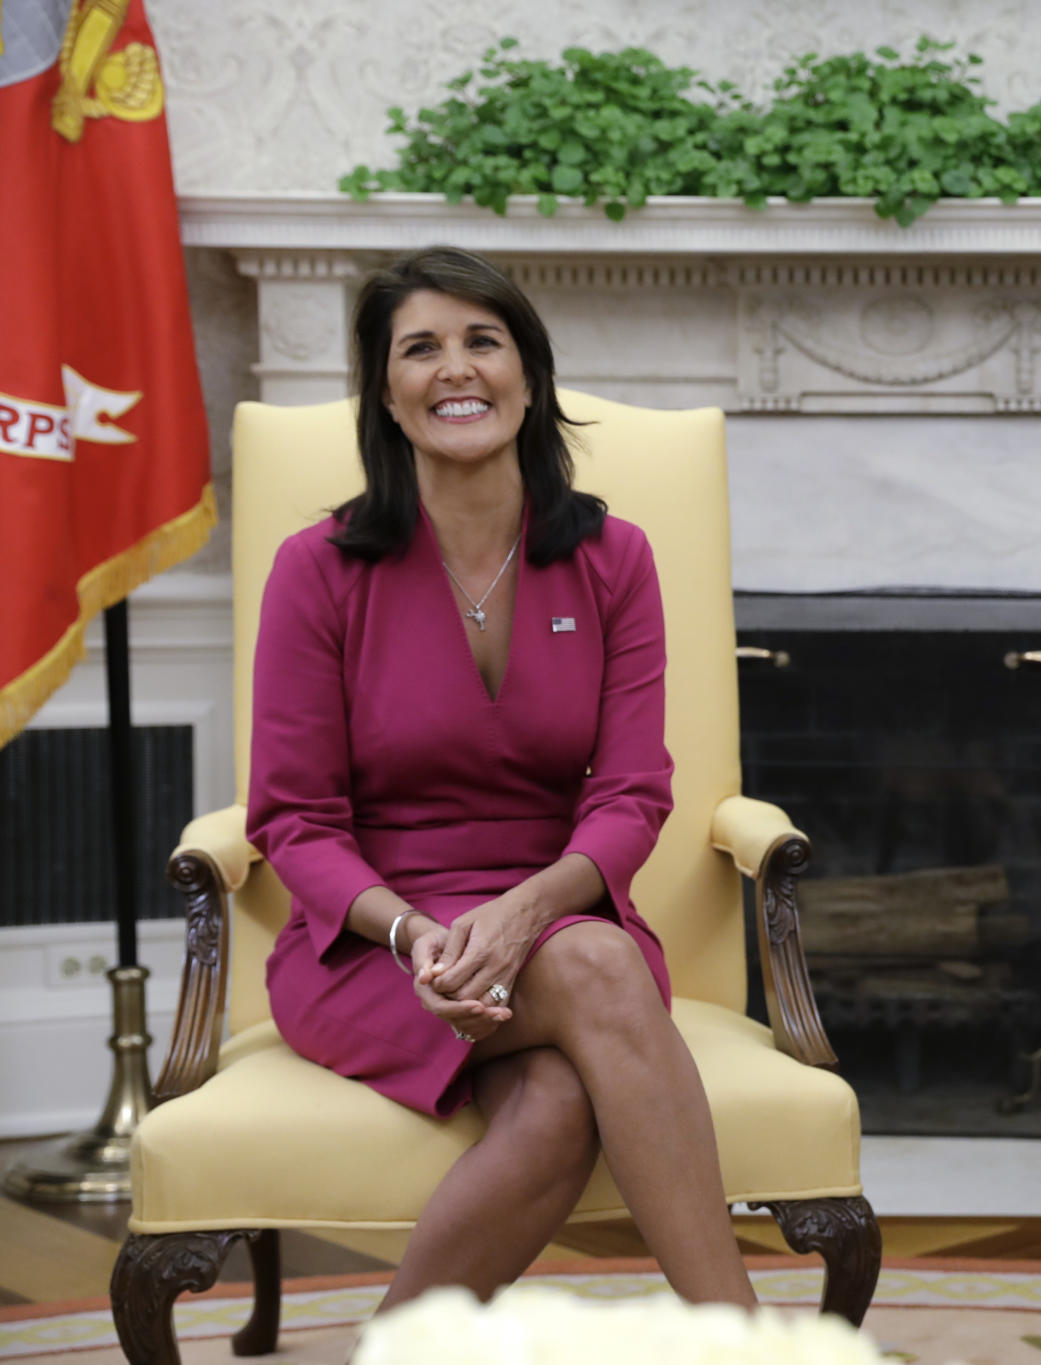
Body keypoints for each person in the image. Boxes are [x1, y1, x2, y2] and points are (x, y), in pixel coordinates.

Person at [247, 245, 754, 1313]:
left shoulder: (613, 557)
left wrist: (526, 912)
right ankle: (743, 1338)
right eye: (419, 348)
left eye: (483, 340)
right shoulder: (318, 568)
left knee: (564, 1077)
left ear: (529, 373)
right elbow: (292, 819)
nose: (455, 369)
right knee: (594, 998)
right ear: (384, 391)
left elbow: (631, 794)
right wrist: (414, 935)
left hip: (562, 918)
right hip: (375, 948)